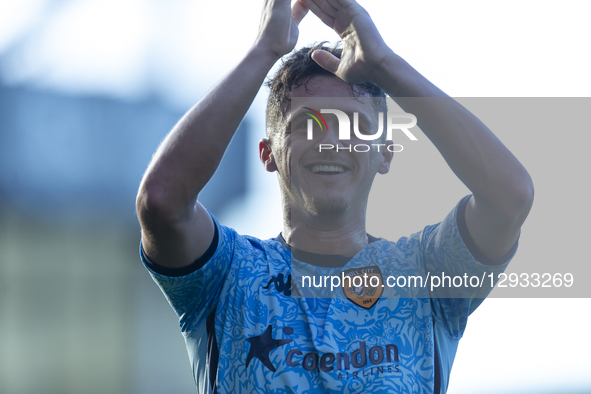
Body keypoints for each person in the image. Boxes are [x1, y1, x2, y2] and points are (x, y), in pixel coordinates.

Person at [135, 0, 534, 392]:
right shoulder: (227, 274)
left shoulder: (426, 273)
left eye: (355, 127)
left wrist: (385, 66)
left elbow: (510, 196)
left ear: (385, 154)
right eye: (307, 124)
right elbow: (162, 202)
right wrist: (264, 52)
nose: (330, 142)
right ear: (268, 153)